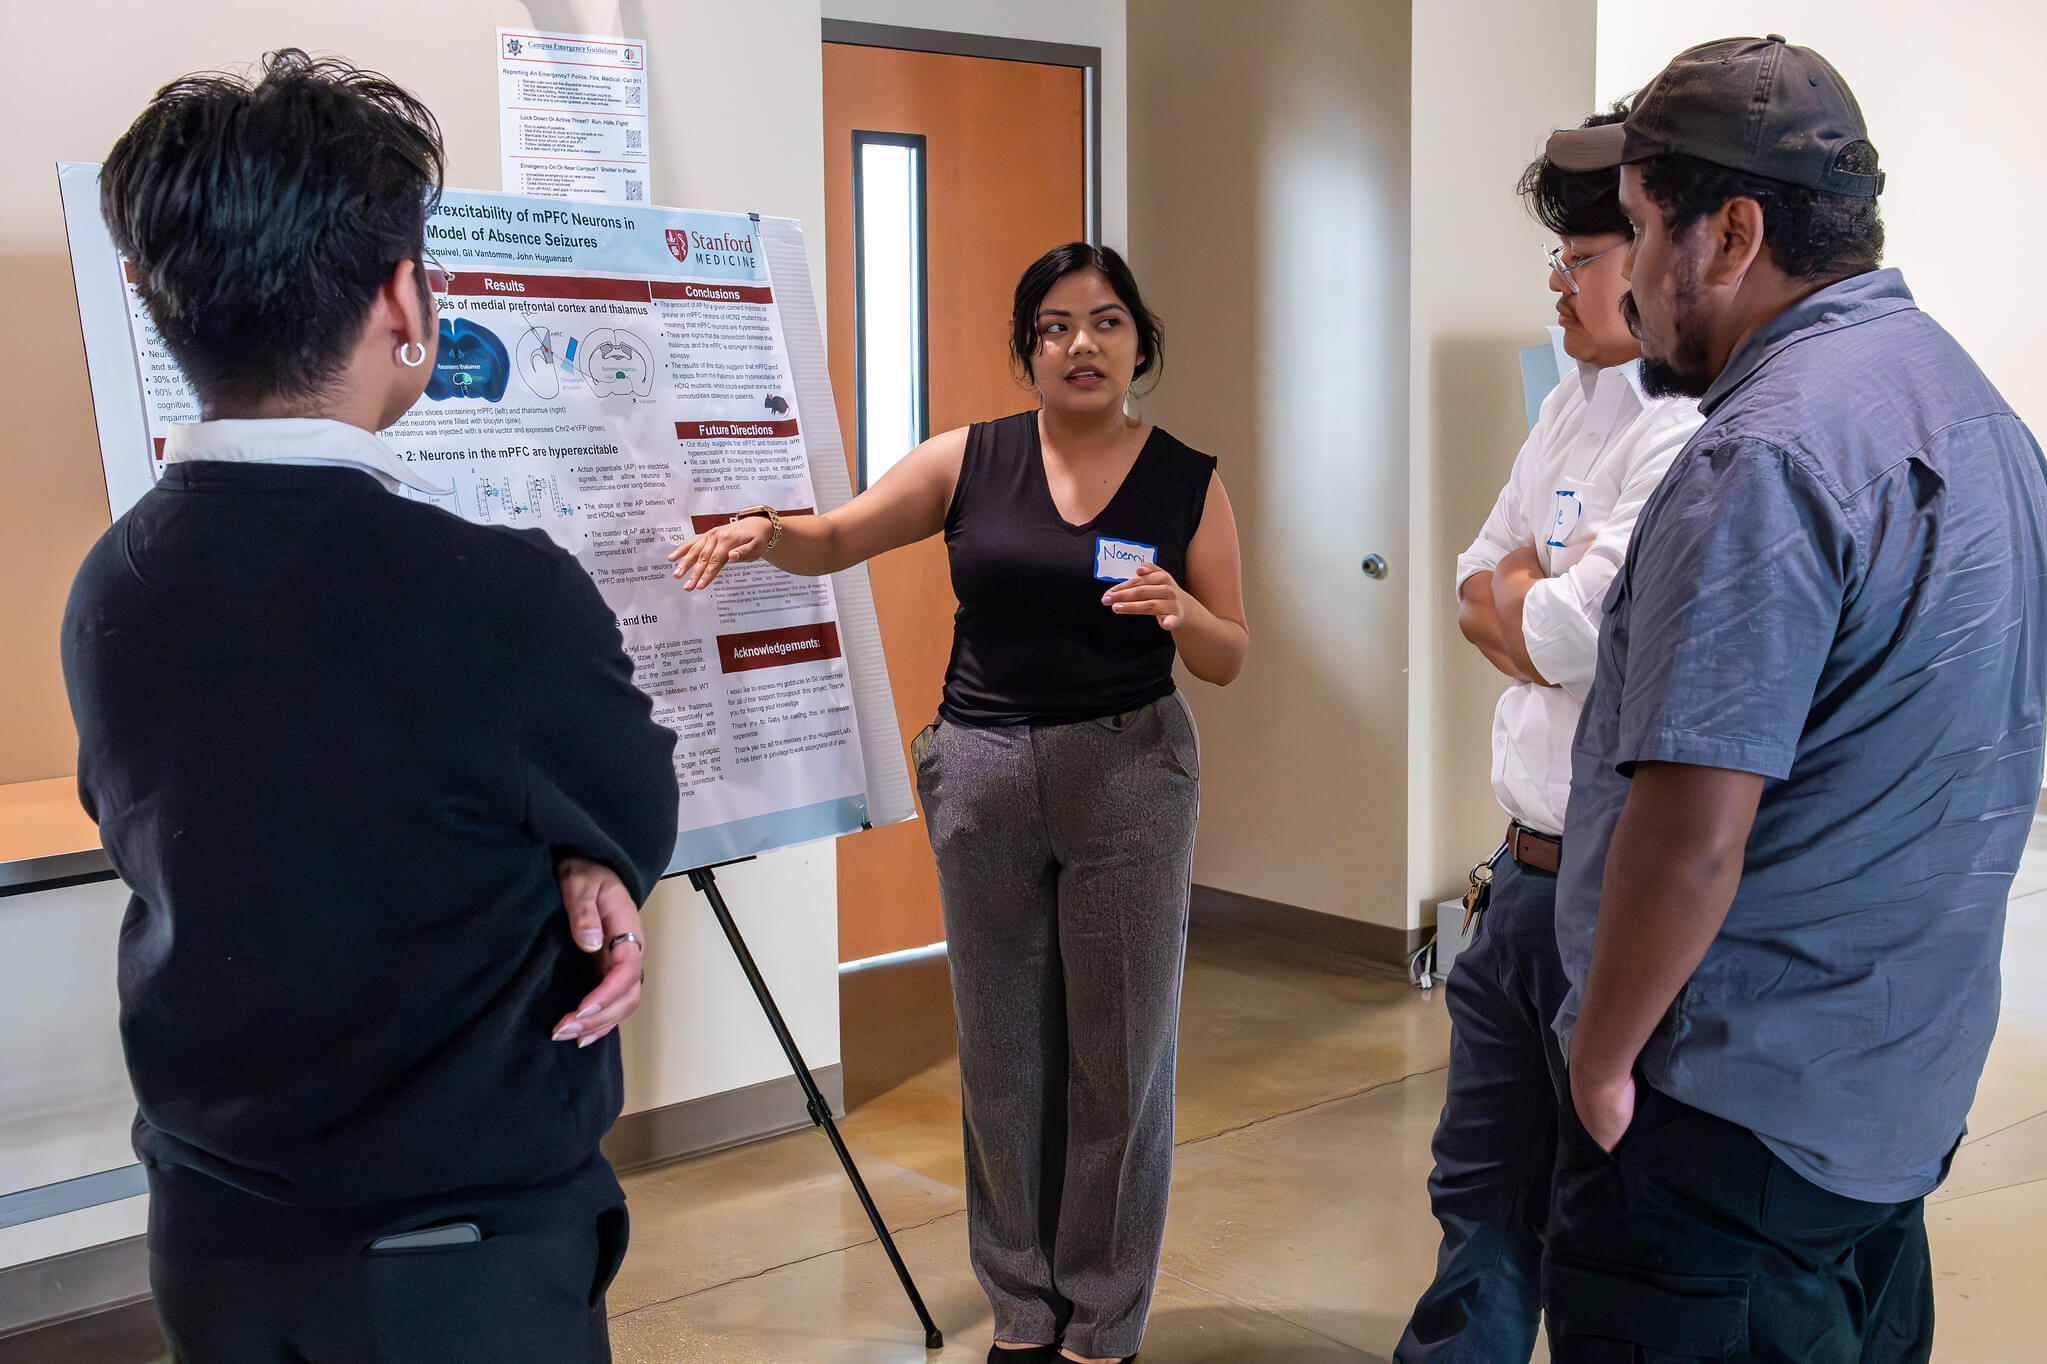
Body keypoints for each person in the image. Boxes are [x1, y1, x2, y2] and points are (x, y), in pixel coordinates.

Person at [63, 51, 679, 1362]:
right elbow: (629, 798)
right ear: (403, 296)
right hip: (451, 1265)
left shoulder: (111, 583)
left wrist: (578, 849)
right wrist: (591, 852)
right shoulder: (500, 594)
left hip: (212, 1240)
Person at [1536, 36, 2047, 1362]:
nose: (1630, 277)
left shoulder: (1758, 458)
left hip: (1722, 1138)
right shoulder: (1979, 416)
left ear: (1731, 234)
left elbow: (1691, 834)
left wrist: (1599, 1059)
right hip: (1889, 1103)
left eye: (1645, 230)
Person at [671, 242, 1247, 1364]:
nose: (1080, 343)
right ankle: (1022, 1309)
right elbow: (841, 534)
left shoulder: (1187, 478)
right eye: (1054, 325)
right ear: (1027, 350)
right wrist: (766, 530)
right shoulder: (969, 459)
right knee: (1002, 1053)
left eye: (1106, 321)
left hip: (1129, 775)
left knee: (1121, 1057)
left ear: (1140, 344)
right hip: (982, 774)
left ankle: (1102, 1318)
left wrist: (1181, 610)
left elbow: (1229, 654)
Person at [1394, 103, 1702, 1364]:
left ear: (1650, 253)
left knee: (1599, 1216)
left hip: (1609, 890)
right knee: (1476, 1188)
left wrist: (1528, 602)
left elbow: (1568, 631)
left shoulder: (1684, 427)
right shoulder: (1570, 404)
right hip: (1518, 876)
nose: (1558, 287)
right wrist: (1529, 603)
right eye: (1556, 260)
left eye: (1579, 260)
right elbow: (1475, 580)